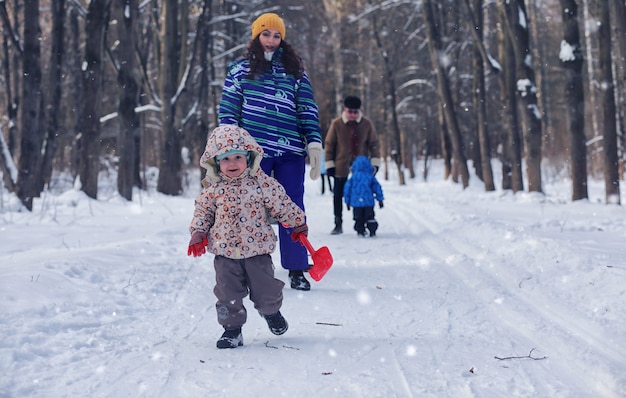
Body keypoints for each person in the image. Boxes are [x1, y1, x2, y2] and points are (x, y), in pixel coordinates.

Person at [218, 12, 322, 291]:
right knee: (250, 209)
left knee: (292, 207)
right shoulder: (239, 70)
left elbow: (306, 108)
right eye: (266, 34)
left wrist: (313, 141)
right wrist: (229, 150)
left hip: (290, 150)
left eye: (277, 36)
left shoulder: (295, 70)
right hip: (253, 155)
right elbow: (228, 114)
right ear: (256, 36)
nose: (271, 40)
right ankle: (252, 268)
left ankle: (297, 267)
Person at [187, 125, 309, 349]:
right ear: (216, 162)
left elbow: (282, 203)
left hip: (258, 252)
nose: (232, 164)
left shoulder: (262, 184)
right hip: (225, 254)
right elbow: (203, 211)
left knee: (266, 291)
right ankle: (232, 330)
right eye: (225, 159)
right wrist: (198, 232)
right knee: (227, 294)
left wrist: (297, 222)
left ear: (249, 157)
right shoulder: (212, 189)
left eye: (237, 157)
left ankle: (270, 311)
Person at [324, 96, 381, 235]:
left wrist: (374, 162)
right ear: (345, 110)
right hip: (340, 164)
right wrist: (329, 164)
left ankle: (364, 220)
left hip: (361, 167)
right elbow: (329, 144)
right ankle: (338, 223)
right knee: (338, 194)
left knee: (364, 193)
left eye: (356, 112)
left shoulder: (366, 124)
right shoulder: (337, 124)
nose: (353, 115)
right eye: (350, 111)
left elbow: (374, 144)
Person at [343, 156, 384, 237]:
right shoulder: (370, 177)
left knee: (358, 218)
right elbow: (377, 187)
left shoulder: (353, 178)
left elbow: (347, 189)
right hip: (368, 202)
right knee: (370, 216)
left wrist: (347, 202)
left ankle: (360, 230)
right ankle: (372, 229)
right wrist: (380, 199)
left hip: (356, 203)